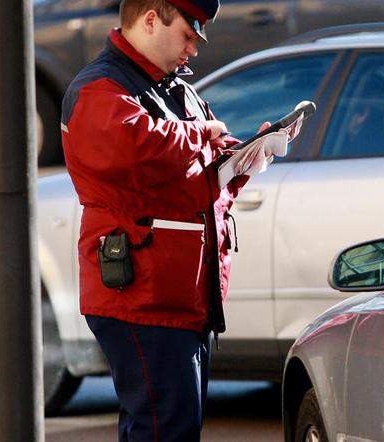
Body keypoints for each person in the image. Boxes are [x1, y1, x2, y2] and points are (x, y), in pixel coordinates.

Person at [59, 0, 278, 439]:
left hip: (179, 295)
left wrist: (244, 157)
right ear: (151, 19)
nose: (193, 50)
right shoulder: (100, 88)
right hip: (142, 296)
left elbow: (198, 175)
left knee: (170, 428)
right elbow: (133, 146)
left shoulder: (176, 89)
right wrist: (201, 136)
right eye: (188, 36)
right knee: (165, 430)